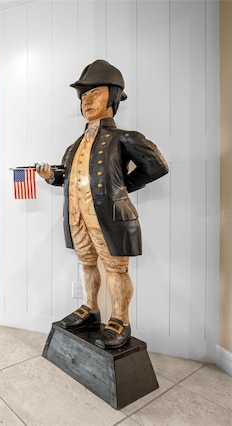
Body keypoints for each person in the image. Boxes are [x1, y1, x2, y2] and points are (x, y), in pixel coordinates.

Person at [36, 60, 169, 349]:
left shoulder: (124, 138)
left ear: (113, 95)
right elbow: (70, 178)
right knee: (86, 264)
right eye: (83, 96)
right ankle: (91, 309)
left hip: (109, 215)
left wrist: (122, 188)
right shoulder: (73, 146)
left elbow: (157, 166)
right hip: (77, 217)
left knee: (117, 269)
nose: (87, 101)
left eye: (94, 93)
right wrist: (51, 177)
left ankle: (120, 319)